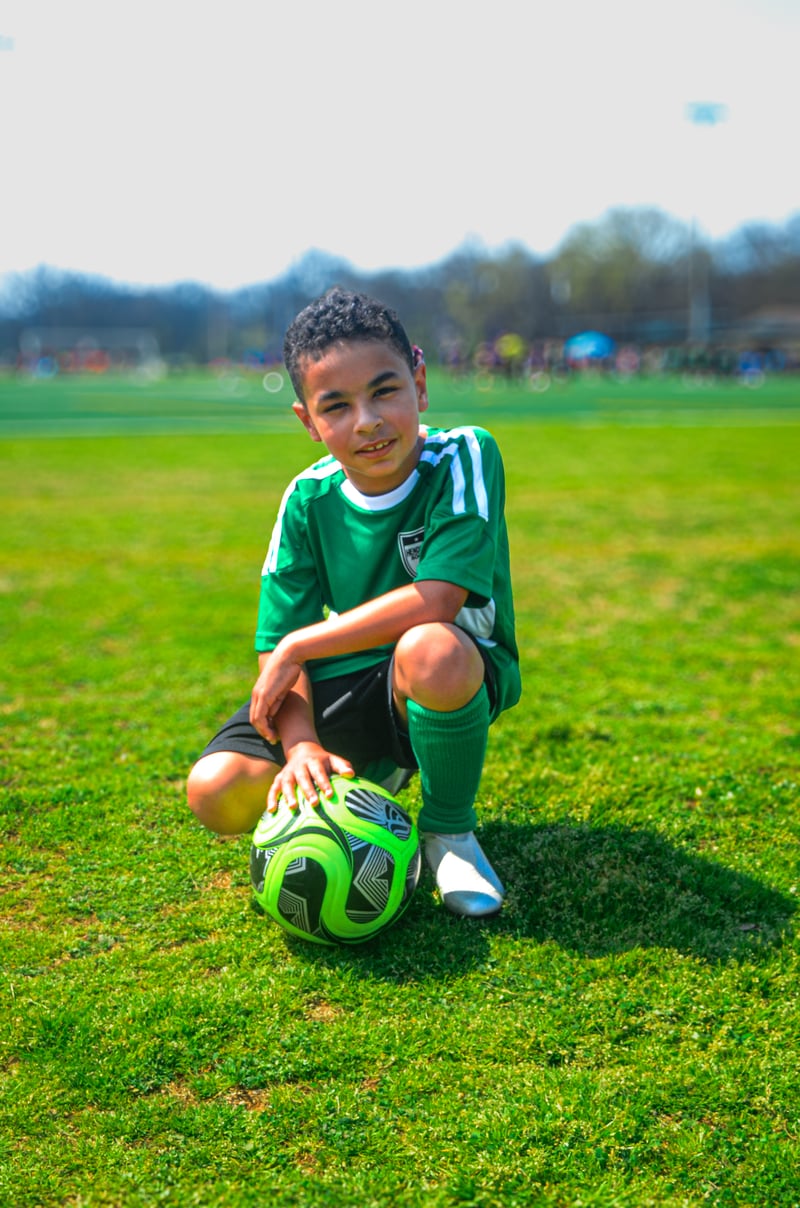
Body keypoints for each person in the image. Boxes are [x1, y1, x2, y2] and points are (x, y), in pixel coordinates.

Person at [187, 288, 521, 918]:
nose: (366, 421)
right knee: (216, 791)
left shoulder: (464, 454)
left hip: (449, 667)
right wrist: (301, 745)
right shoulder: (306, 499)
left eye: (384, 391)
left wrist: (300, 645)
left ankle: (448, 833)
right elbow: (276, 644)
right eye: (336, 406)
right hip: (348, 675)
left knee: (431, 649)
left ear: (420, 383)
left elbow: (438, 599)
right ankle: (367, 779)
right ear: (307, 422)